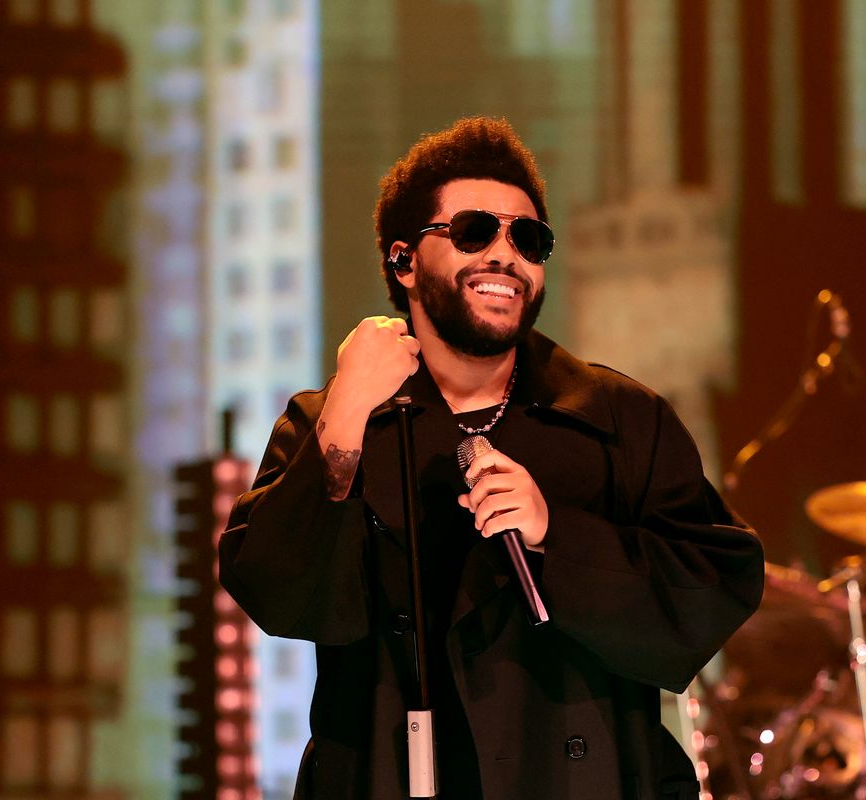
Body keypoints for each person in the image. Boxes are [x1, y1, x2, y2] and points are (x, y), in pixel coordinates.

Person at [218, 116, 764, 800]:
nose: (506, 255)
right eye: (474, 231)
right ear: (404, 262)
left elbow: (715, 585)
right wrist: (347, 413)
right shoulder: (331, 420)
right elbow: (277, 594)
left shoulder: (620, 418)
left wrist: (556, 536)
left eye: (529, 239)